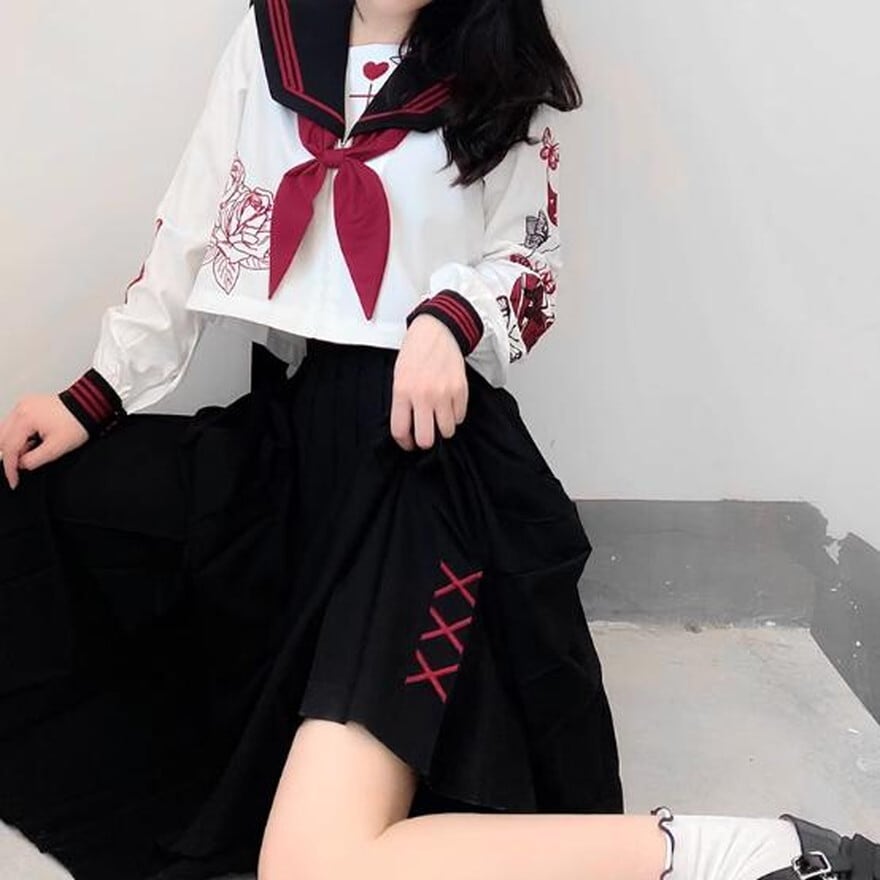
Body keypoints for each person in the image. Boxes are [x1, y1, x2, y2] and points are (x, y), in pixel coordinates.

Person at [0, 2, 876, 880]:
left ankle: (765, 853)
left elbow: (529, 261)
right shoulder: (272, 38)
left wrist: (447, 321)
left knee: (311, 863)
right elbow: (190, 231)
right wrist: (95, 394)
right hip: (295, 449)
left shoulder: (496, 64)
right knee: (36, 505)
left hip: (420, 462)